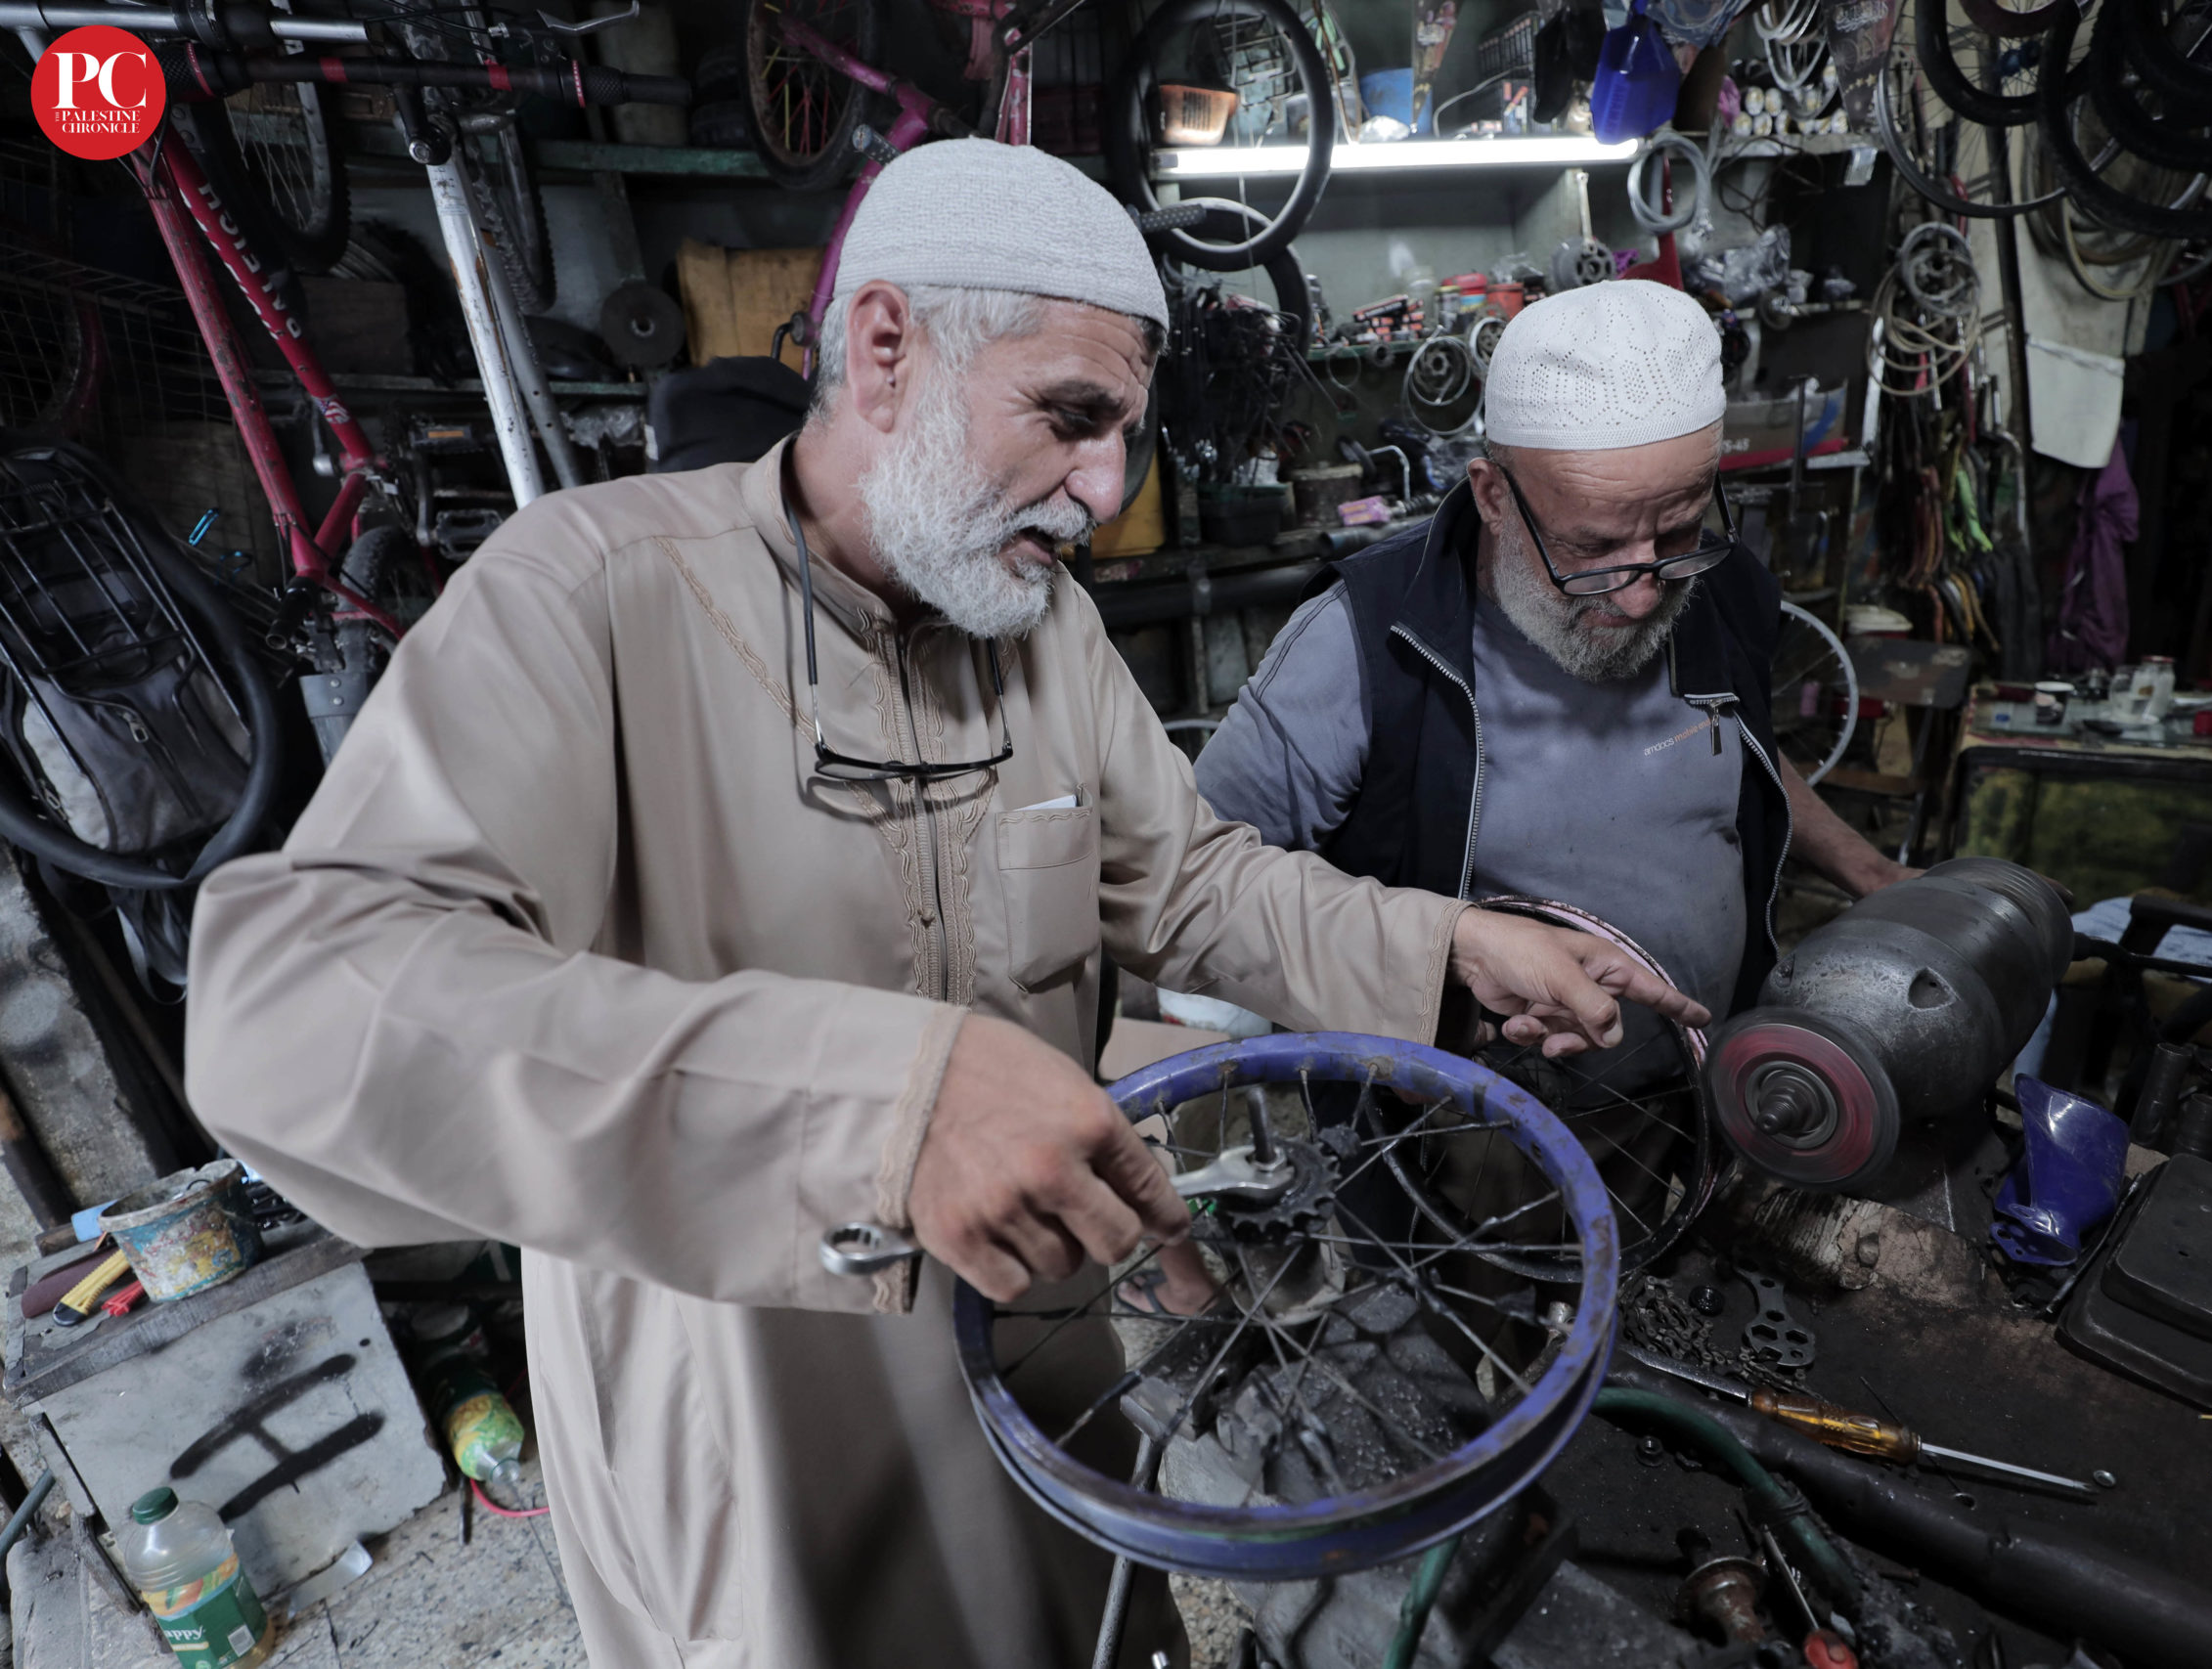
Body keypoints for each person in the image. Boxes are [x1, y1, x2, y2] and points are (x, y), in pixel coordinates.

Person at [183, 141, 1703, 1669]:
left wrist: (1444, 944)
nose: (1107, 489)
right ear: (885, 348)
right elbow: (288, 1010)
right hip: (754, 1417)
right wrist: (885, 1104)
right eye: (1072, 416)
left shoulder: (1043, 628)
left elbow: (1187, 878)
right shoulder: (588, 595)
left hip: (1048, 1358)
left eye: (1125, 434)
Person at [1195, 281, 1914, 1096]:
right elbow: (1203, 886)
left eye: (1677, 530)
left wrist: (1867, 869)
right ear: (1493, 496)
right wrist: (1446, 953)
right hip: (1459, 1135)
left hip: (1706, 1106)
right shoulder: (1360, 643)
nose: (1641, 595)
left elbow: (1732, 748)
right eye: (1592, 549)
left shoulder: (1717, 586)